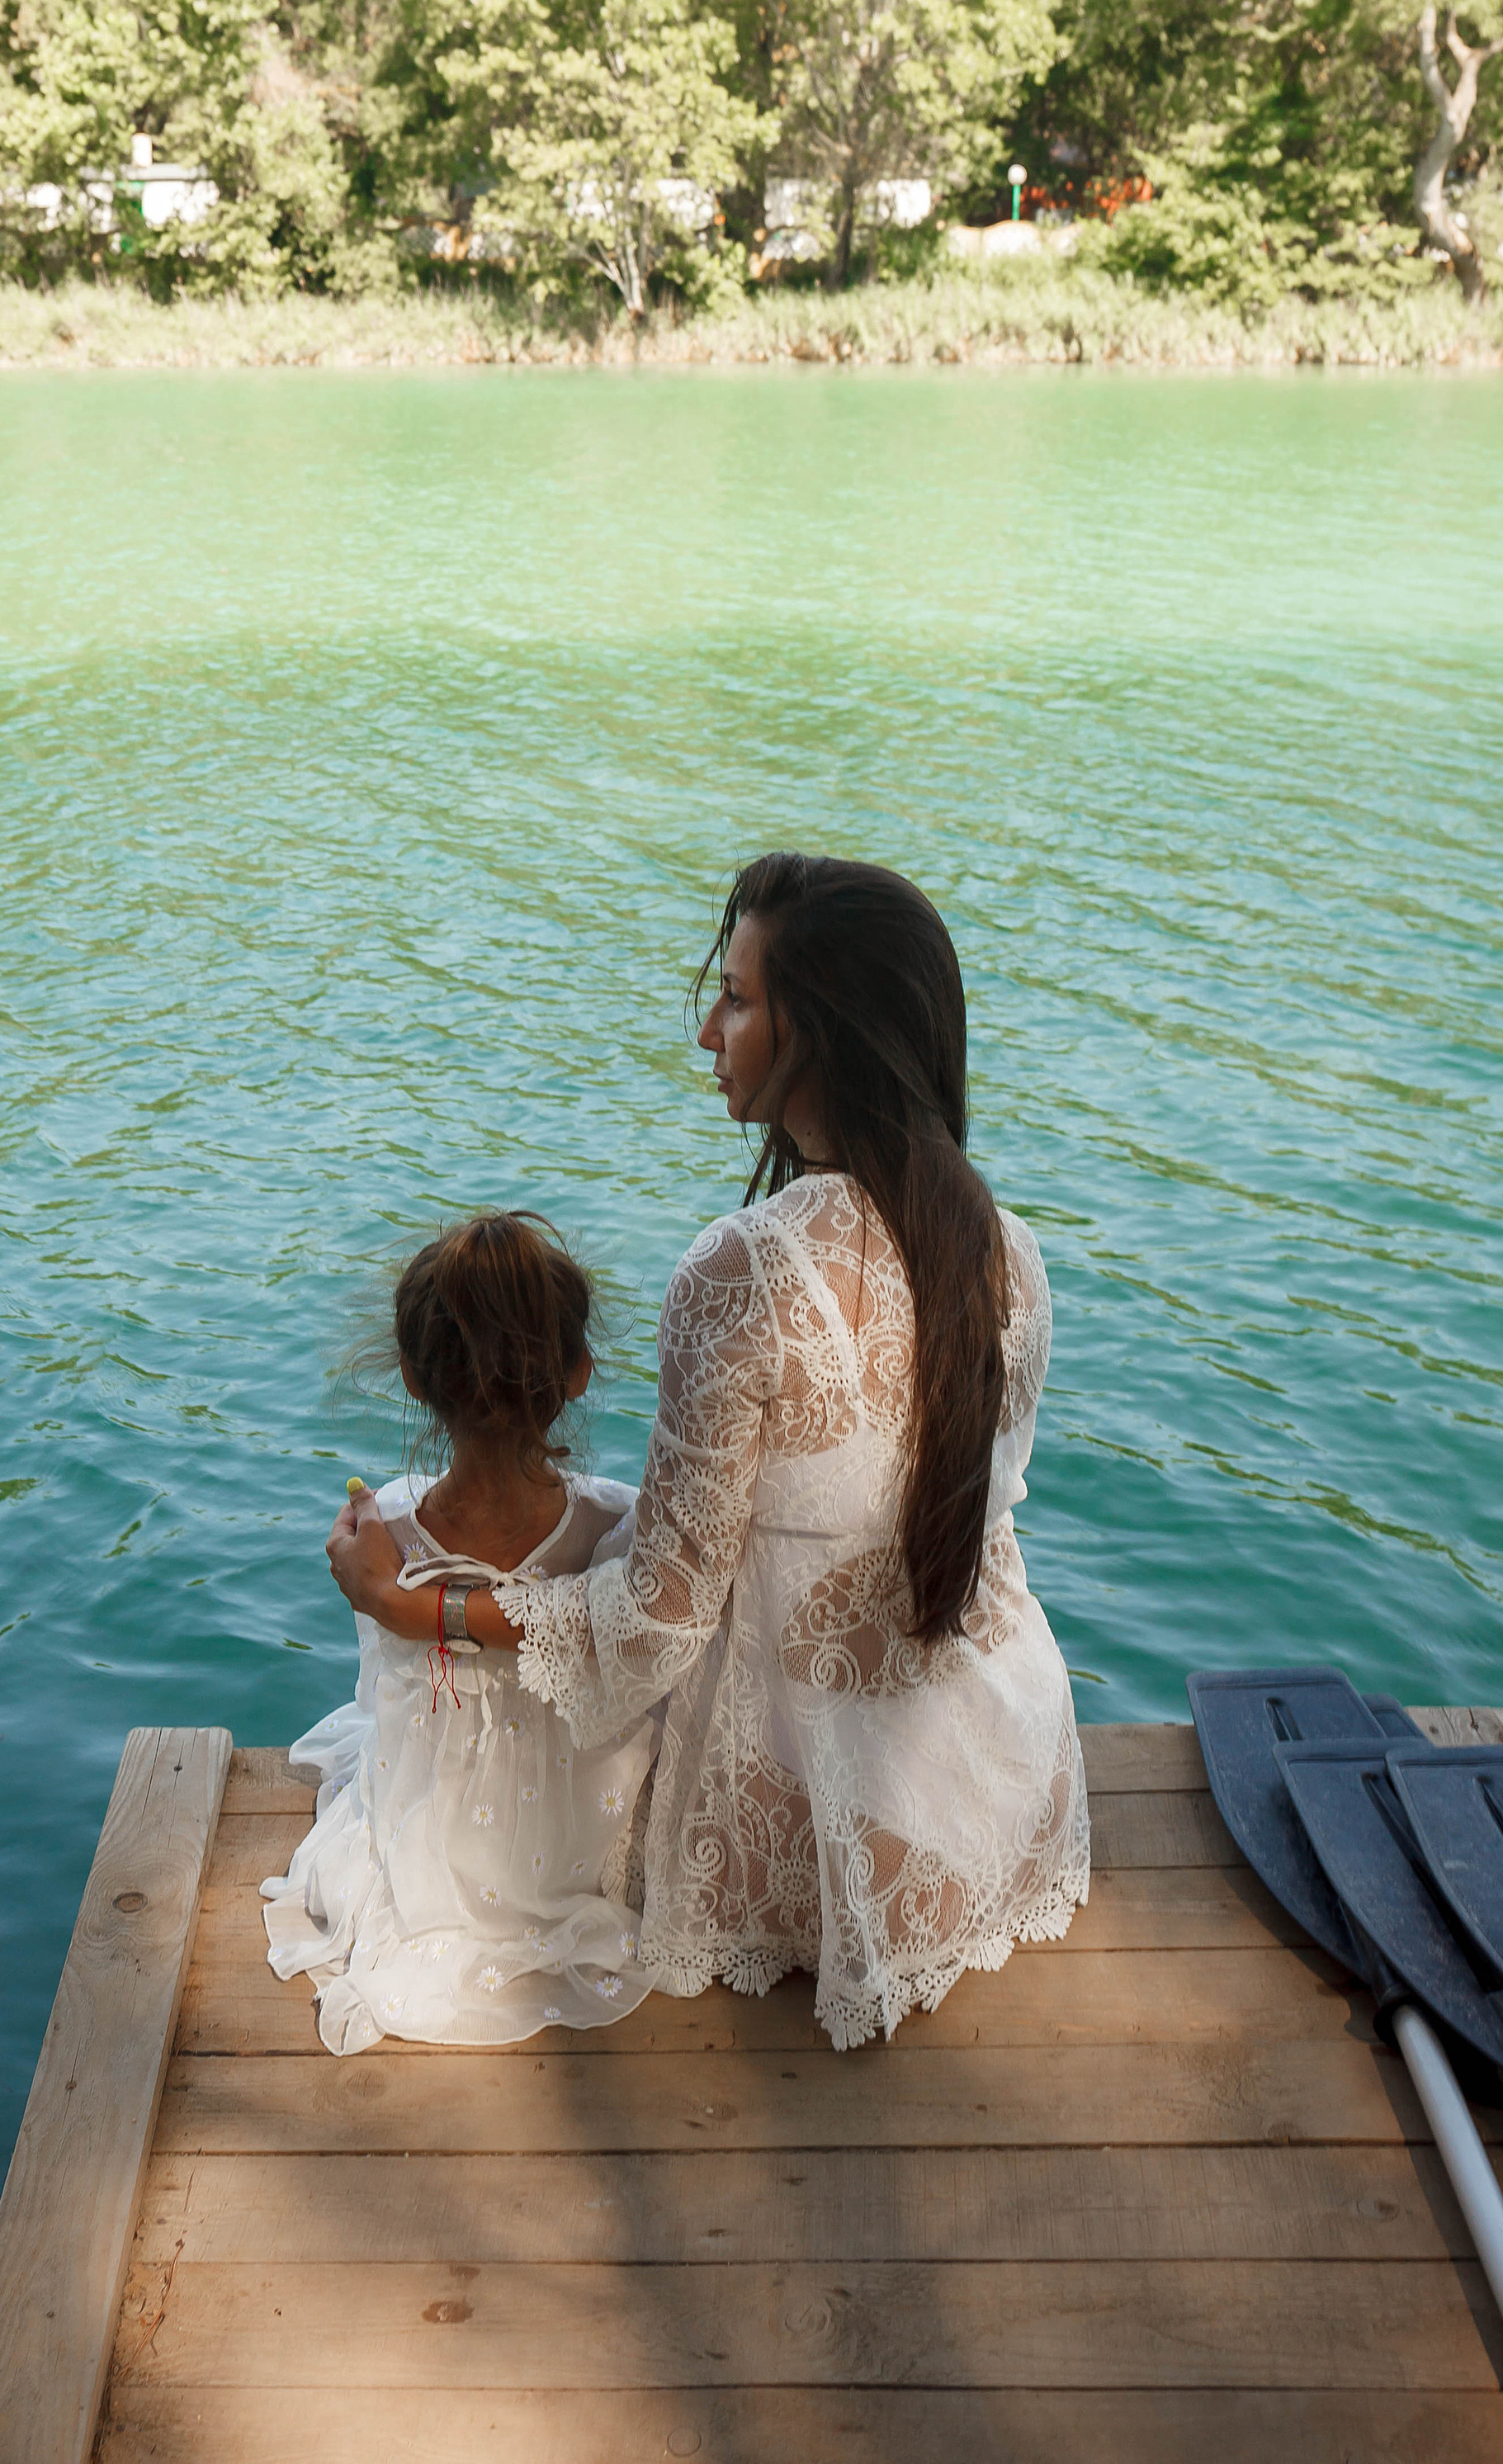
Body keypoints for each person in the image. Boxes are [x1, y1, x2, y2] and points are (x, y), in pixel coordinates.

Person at [327, 854, 1089, 2051]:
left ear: (816, 1029)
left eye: (735, 999)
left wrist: (424, 1608)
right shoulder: (1009, 1251)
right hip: (988, 1796)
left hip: (801, 1848)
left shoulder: (741, 1271)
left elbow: (657, 1623)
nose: (706, 1031)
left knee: (500, 1798)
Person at [263, 1210, 658, 2054]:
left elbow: (381, 1693)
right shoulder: (616, 1523)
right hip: (582, 1842)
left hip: (431, 1842)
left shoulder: (384, 1532)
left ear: (413, 1377)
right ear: (580, 1373)